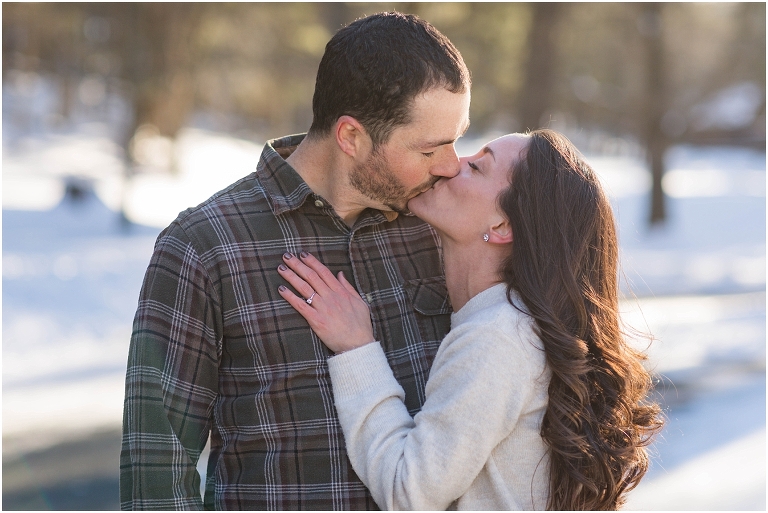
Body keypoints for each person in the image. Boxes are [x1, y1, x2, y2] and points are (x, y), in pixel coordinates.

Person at [120, 12, 471, 510]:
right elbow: (157, 471)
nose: (452, 165)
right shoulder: (204, 247)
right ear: (351, 137)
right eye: (432, 147)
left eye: (457, 139)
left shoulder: (439, 227)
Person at [277, 129, 664, 510]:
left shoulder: (498, 338)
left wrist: (356, 347)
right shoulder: (510, 327)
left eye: (477, 167)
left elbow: (409, 490)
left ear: (502, 227)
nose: (449, 165)